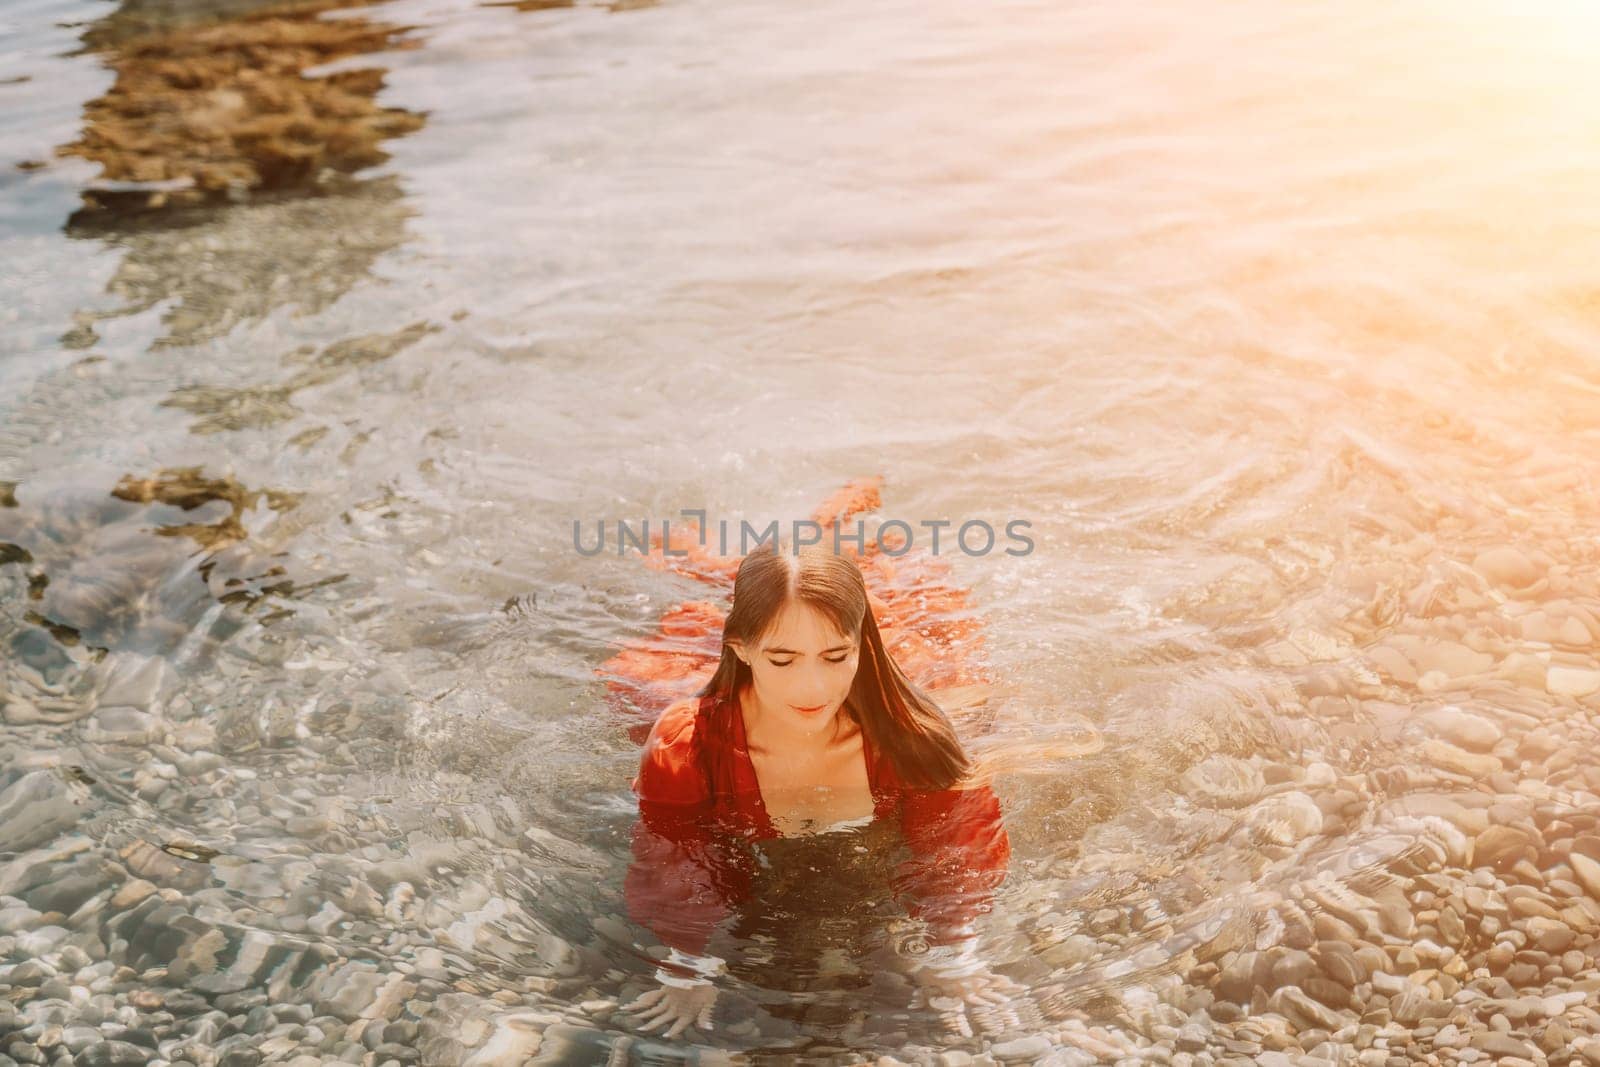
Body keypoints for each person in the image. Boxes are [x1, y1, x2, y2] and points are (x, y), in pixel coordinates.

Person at [621, 541, 1021, 1040]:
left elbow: (960, 851)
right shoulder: (687, 750)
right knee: (641, 673)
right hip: (691, 685)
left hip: (898, 685)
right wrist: (686, 963)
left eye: (835, 656)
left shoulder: (913, 740)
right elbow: (675, 860)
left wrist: (952, 952)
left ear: (863, 646)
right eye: (783, 659)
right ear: (741, 648)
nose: (812, 688)